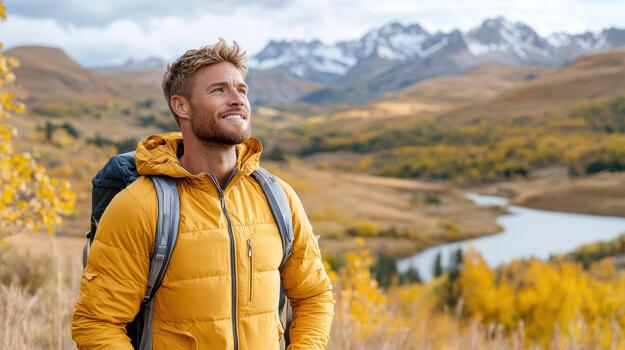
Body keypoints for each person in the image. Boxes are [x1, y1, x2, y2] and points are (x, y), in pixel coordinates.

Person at [72, 39, 335, 349]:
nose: (238, 99)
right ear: (181, 106)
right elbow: (97, 323)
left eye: (242, 89)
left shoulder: (279, 198)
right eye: (219, 90)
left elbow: (314, 295)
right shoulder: (140, 206)